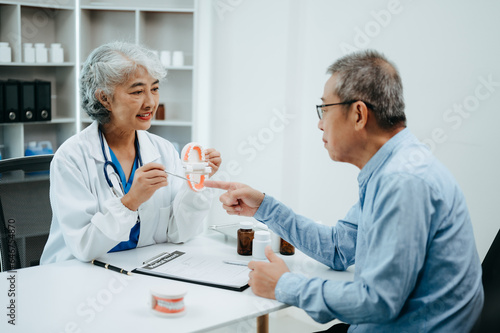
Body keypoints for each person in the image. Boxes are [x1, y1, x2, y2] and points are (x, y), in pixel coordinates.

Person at [205, 50, 483, 332]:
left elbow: (379, 302)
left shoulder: (404, 181)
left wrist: (285, 285)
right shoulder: (390, 168)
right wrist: (264, 207)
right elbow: (338, 248)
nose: (319, 122)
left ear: (359, 114)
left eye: (324, 109)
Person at [41, 42, 221, 264]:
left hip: (138, 270)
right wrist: (131, 201)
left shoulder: (163, 150)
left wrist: (197, 182)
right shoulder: (71, 158)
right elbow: (85, 247)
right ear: (104, 98)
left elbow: (179, 233)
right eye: (137, 92)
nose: (151, 103)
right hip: (78, 273)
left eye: (154, 89)